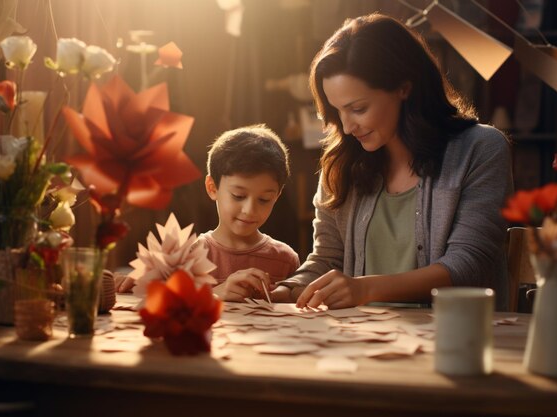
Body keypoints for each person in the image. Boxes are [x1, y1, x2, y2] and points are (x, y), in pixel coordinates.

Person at [270, 13, 513, 310]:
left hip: (454, 342)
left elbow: (468, 266)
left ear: (404, 87)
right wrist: (278, 292)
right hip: (363, 346)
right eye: (336, 111)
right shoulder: (342, 162)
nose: (346, 127)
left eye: (358, 108)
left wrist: (365, 289)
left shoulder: (480, 149)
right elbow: (326, 259)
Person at [199, 124, 300, 301]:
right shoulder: (191, 255)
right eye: (238, 196)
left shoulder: (285, 259)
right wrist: (215, 294)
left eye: (264, 200)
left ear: (277, 196)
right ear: (212, 188)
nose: (250, 210)